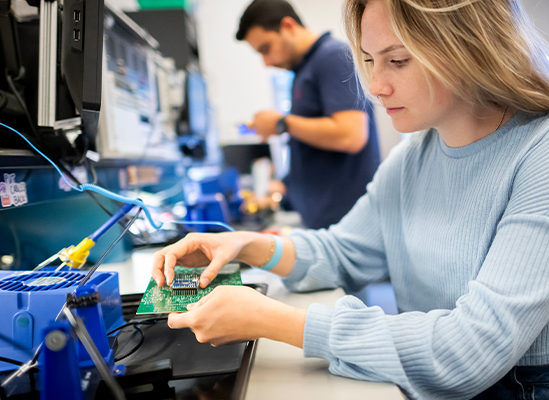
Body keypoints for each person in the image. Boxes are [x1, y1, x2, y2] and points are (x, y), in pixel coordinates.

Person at [152, 0, 549, 398]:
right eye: (369, 61)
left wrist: (275, 321)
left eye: (397, 60)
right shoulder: (415, 155)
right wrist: (244, 245)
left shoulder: (538, 154)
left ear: (470, 47)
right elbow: (344, 250)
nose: (375, 86)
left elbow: (470, 350)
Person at [237, 0, 381, 229]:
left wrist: (281, 123)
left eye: (266, 48)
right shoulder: (305, 70)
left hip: (347, 225)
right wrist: (282, 189)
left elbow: (351, 135)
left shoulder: (332, 57)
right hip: (325, 223)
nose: (266, 62)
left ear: (288, 26)